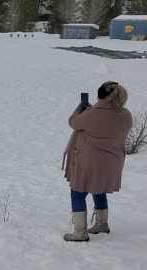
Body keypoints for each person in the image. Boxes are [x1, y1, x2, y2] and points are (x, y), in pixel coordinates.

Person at [63, 81, 133, 242]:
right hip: (113, 161)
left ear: (99, 95)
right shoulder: (126, 114)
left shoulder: (91, 114)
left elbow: (73, 123)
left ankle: (80, 232)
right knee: (99, 189)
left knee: (78, 193)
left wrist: (80, 109)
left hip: (90, 161)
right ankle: (102, 224)